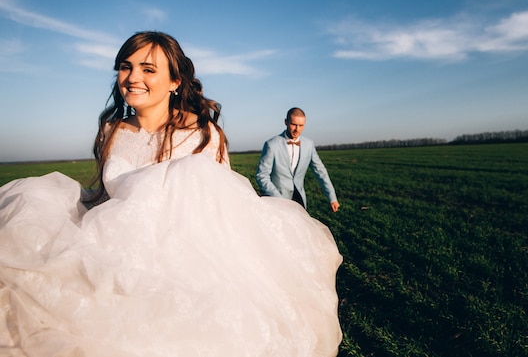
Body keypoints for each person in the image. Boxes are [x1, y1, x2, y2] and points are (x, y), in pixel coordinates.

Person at [0, 32, 342, 356]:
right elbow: (107, 198)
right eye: (126, 66)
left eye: (148, 69)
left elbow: (223, 211)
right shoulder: (111, 131)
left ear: (175, 81)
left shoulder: (204, 135)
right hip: (111, 260)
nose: (133, 77)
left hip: (181, 269)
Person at [256, 108, 340, 212]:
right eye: (294, 124)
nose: (297, 129)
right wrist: (280, 200)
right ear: (286, 122)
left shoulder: (309, 145)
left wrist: (332, 197)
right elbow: (262, 176)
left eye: (301, 126)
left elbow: (320, 171)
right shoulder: (271, 144)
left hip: (299, 200)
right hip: (276, 201)